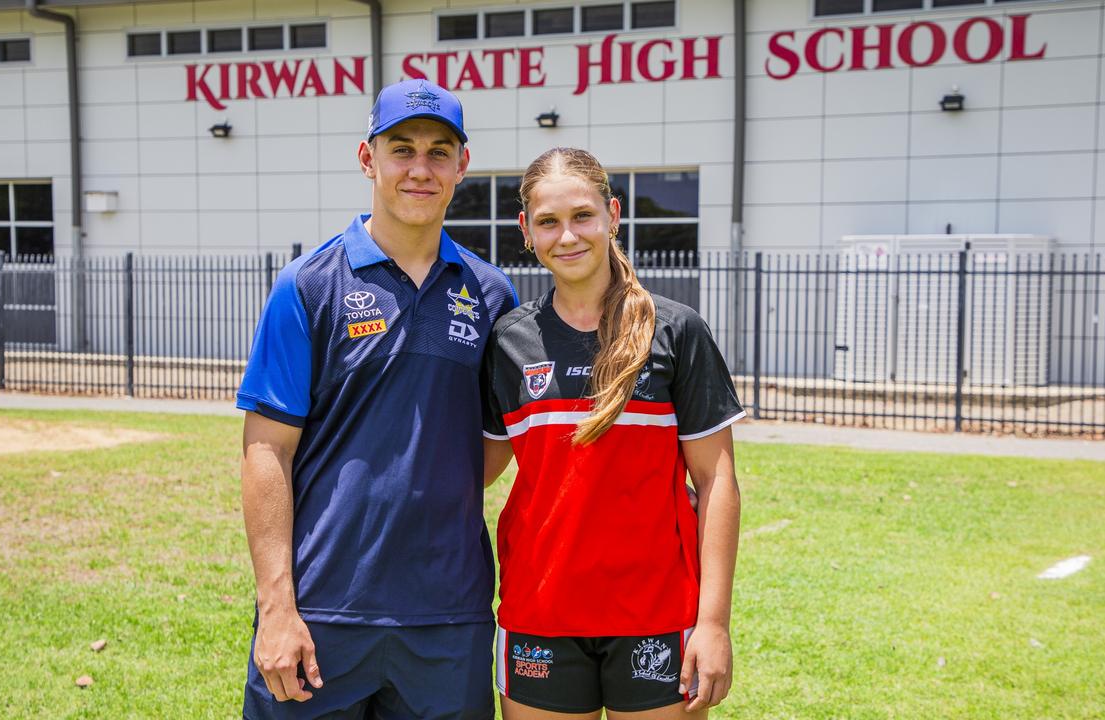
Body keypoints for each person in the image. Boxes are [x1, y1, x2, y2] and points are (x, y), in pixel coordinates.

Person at [236, 79, 517, 719]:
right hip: (321, 610)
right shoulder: (308, 286)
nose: (420, 168)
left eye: (439, 151)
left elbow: (495, 446)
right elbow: (265, 452)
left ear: (461, 166)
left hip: (448, 615)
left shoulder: (493, 294)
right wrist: (277, 607)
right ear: (368, 158)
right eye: (402, 149)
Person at [481, 147, 744, 719]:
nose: (567, 236)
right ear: (526, 231)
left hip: (656, 612)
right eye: (548, 221)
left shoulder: (677, 331)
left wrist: (714, 622)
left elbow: (716, 479)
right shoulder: (508, 342)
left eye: (582, 216)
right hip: (539, 611)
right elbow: (472, 468)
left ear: (612, 215)